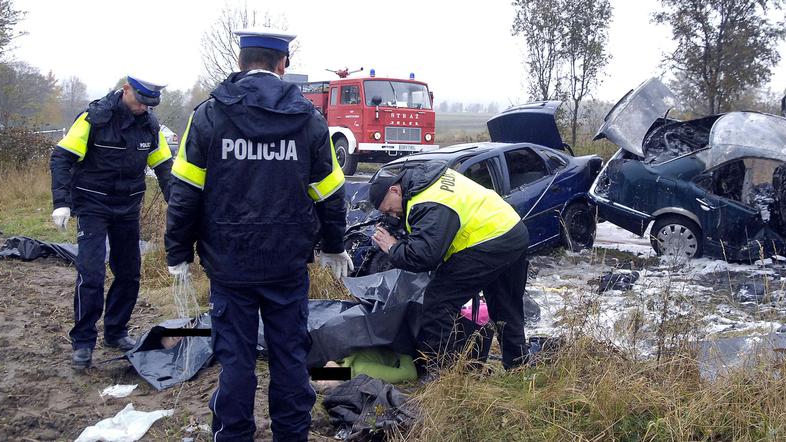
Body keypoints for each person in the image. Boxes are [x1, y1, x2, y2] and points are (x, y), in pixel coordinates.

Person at [164, 28, 351, 440]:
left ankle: (233, 435)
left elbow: (186, 193)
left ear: (241, 61)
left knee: (236, 362)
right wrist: (334, 245)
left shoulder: (208, 115)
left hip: (229, 266)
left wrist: (177, 251)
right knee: (289, 358)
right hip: (286, 266)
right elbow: (330, 193)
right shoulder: (309, 118)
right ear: (282, 64)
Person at [49, 75, 174, 370]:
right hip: (93, 204)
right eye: (140, 100)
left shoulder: (150, 125)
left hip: (128, 206)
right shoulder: (95, 118)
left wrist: (179, 206)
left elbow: (165, 167)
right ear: (127, 89)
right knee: (91, 273)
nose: (144, 107)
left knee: (129, 272)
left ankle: (116, 331)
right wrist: (62, 203)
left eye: (150, 104)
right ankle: (83, 342)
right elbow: (61, 158)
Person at [367, 161, 530, 373]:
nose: (393, 215)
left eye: (390, 209)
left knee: (438, 302)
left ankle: (441, 374)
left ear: (395, 190)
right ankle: (518, 368)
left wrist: (392, 247)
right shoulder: (427, 180)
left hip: (487, 240)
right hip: (511, 229)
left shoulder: (426, 201)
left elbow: (424, 256)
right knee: (506, 305)